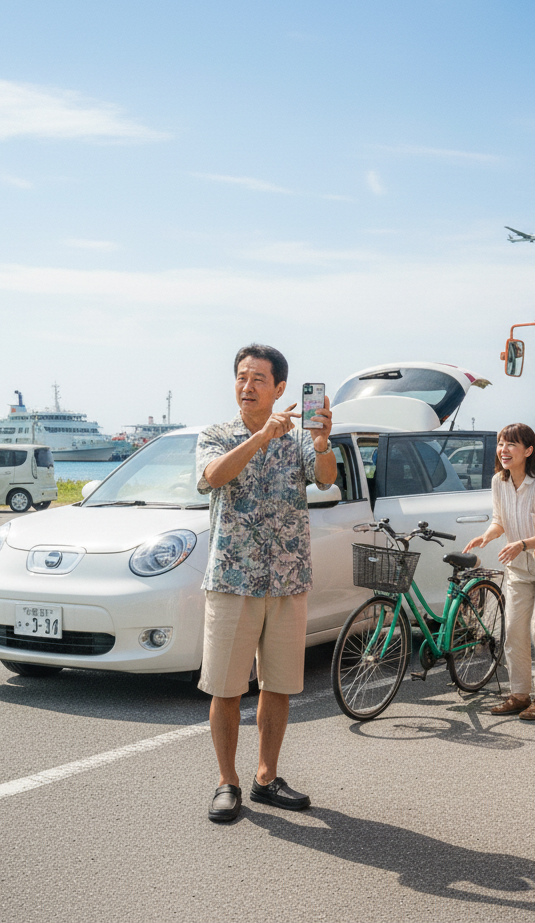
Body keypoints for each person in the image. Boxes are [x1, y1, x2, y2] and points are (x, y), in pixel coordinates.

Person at [195, 343, 338, 823]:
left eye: (259, 379)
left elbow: (325, 479)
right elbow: (214, 476)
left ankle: (265, 776)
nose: (247, 386)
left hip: (287, 579)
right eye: (241, 377)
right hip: (233, 578)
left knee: (278, 685)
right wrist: (260, 438)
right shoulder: (216, 434)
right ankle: (226, 781)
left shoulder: (297, 438)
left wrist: (320, 443)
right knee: (227, 688)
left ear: (280, 389)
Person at [464, 424, 535, 720]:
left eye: (511, 445)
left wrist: (521, 544)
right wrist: (488, 535)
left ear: (529, 451)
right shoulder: (499, 481)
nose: (503, 450)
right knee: (515, 633)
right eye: (500, 444)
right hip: (518, 571)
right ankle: (519, 694)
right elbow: (500, 519)